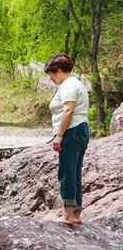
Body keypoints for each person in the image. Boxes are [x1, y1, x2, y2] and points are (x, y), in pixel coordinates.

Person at [45, 54, 90, 225]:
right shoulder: (78, 83)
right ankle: (76, 214)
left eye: (51, 74)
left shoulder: (68, 85)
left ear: (58, 70)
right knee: (75, 172)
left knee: (66, 172)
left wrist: (59, 135)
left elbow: (68, 110)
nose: (50, 78)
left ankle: (68, 215)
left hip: (72, 131)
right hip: (81, 130)